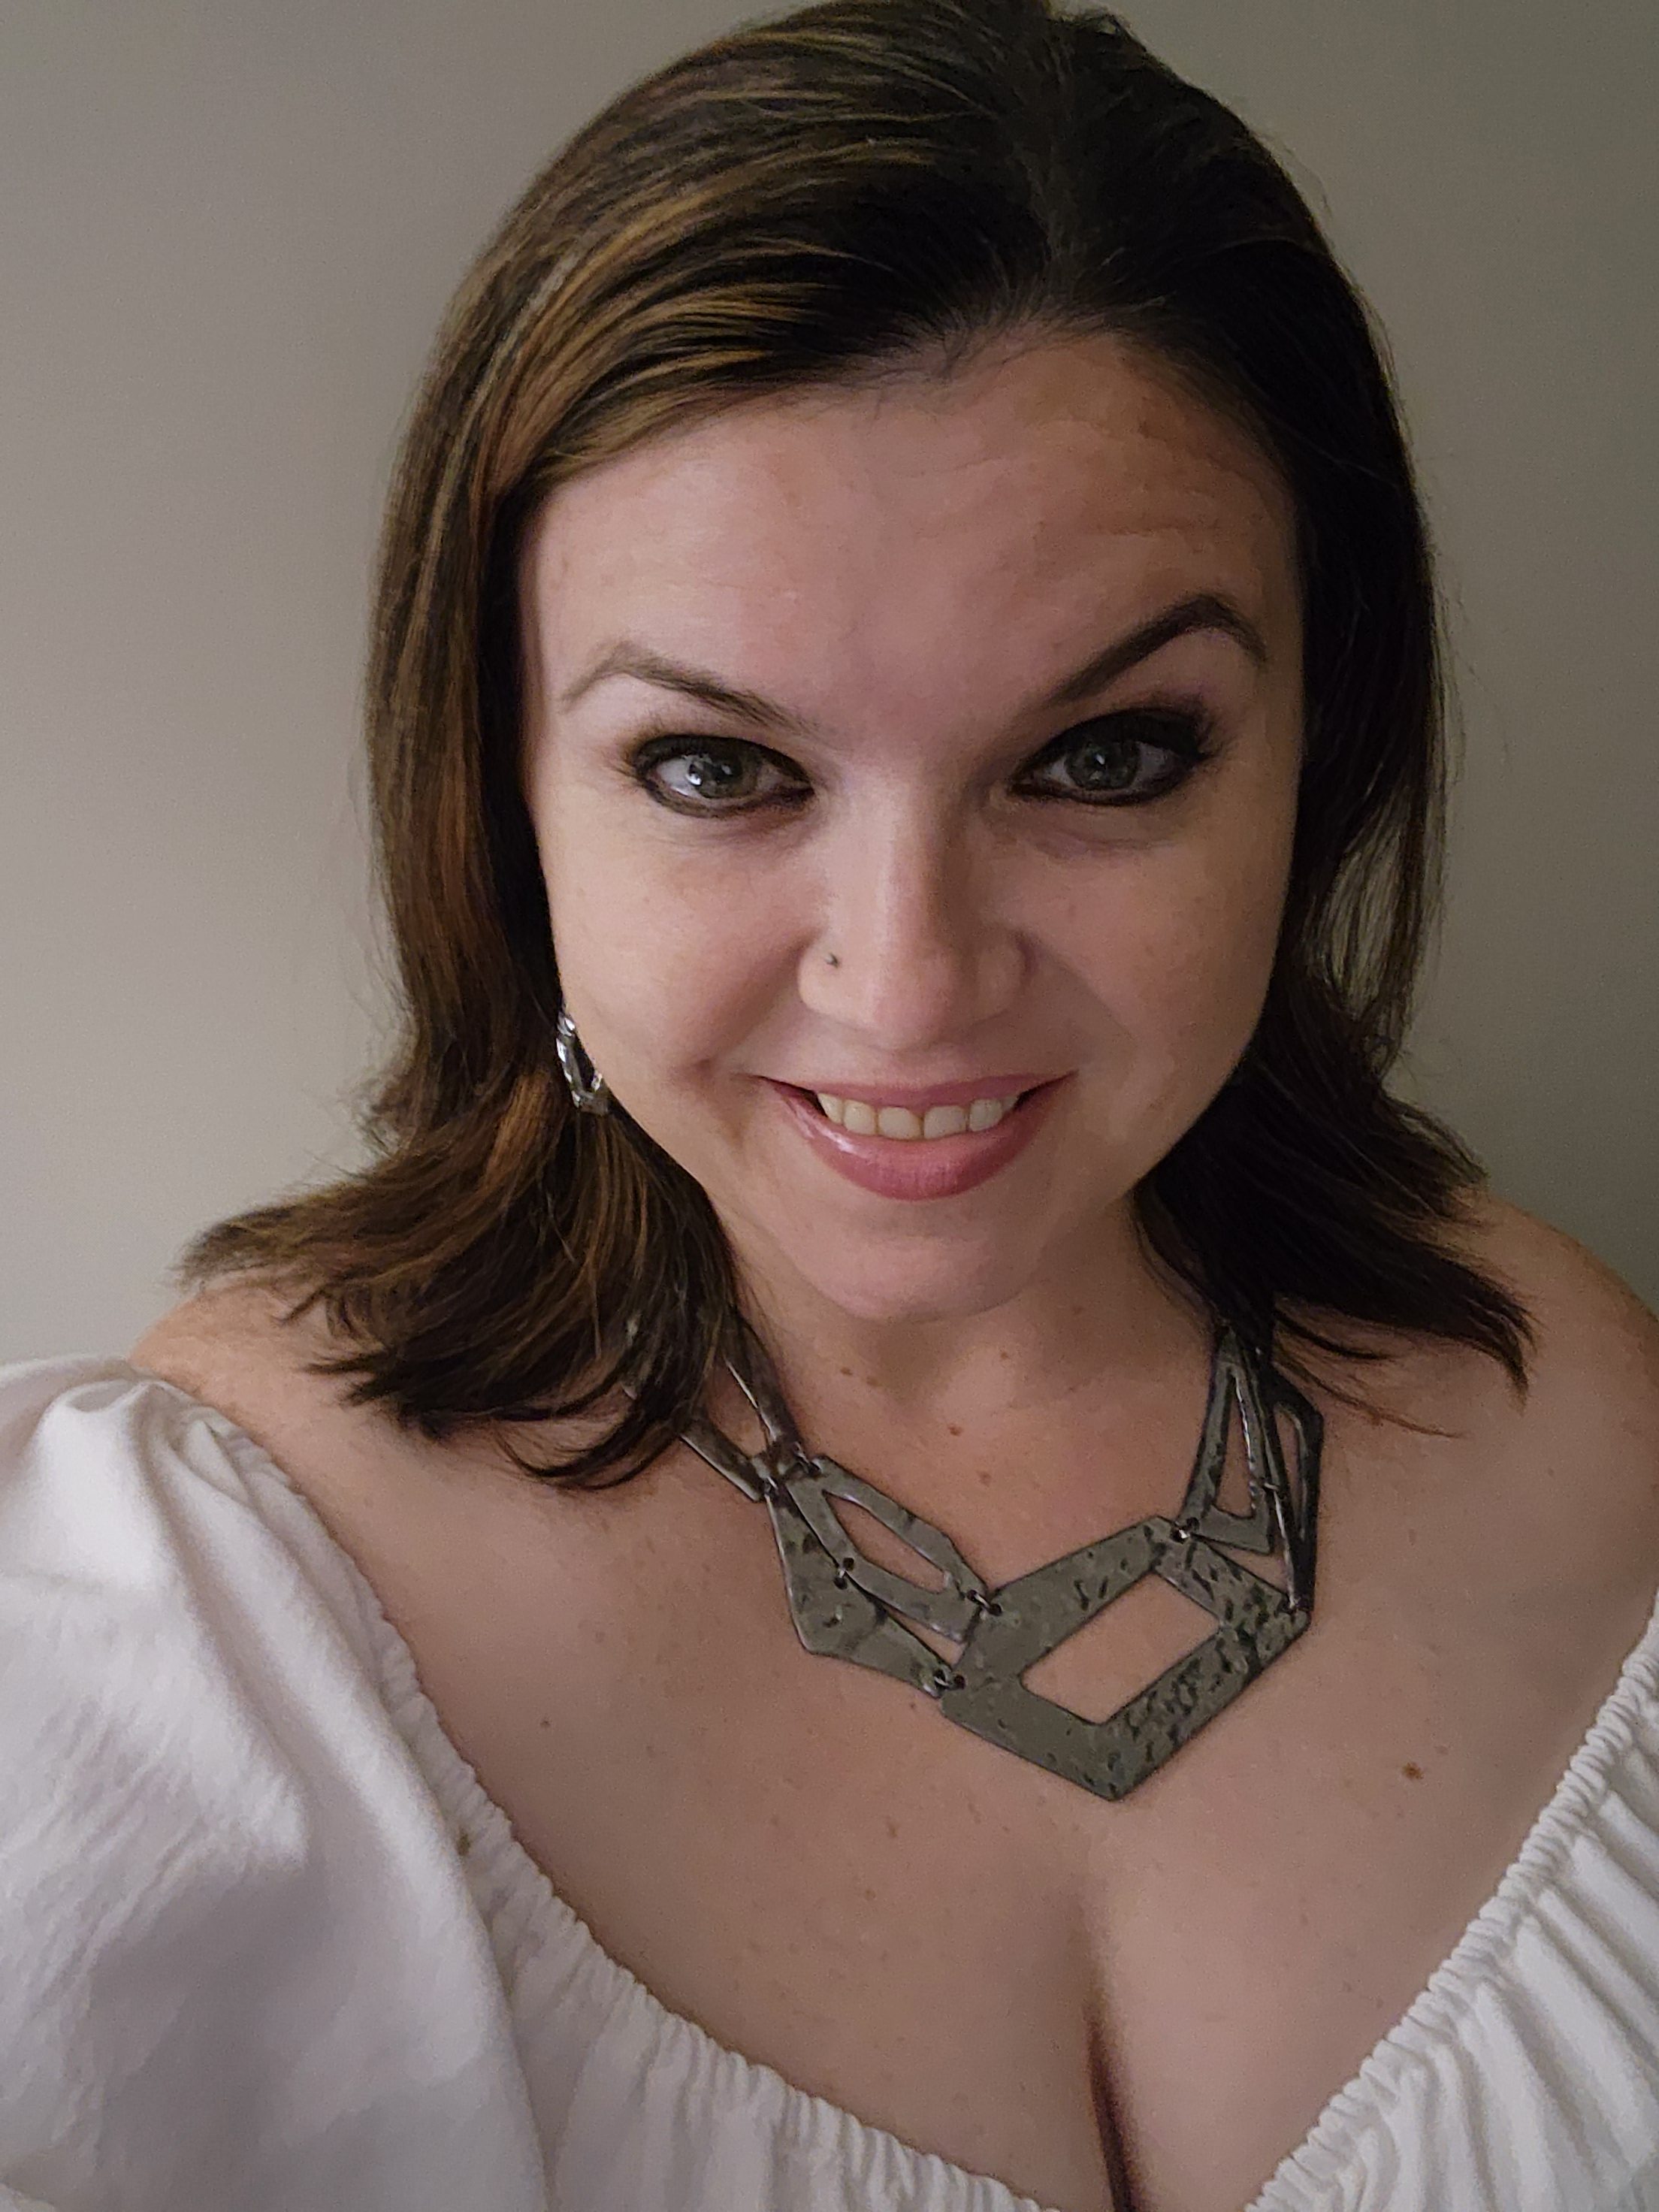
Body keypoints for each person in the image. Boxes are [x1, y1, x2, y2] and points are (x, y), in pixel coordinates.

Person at [3, 1, 1656, 2207]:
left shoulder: (1581, 1423)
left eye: (1105, 757)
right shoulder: (178, 1634)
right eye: (719, 769)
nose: (910, 979)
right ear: (507, 802)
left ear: (1318, 754)